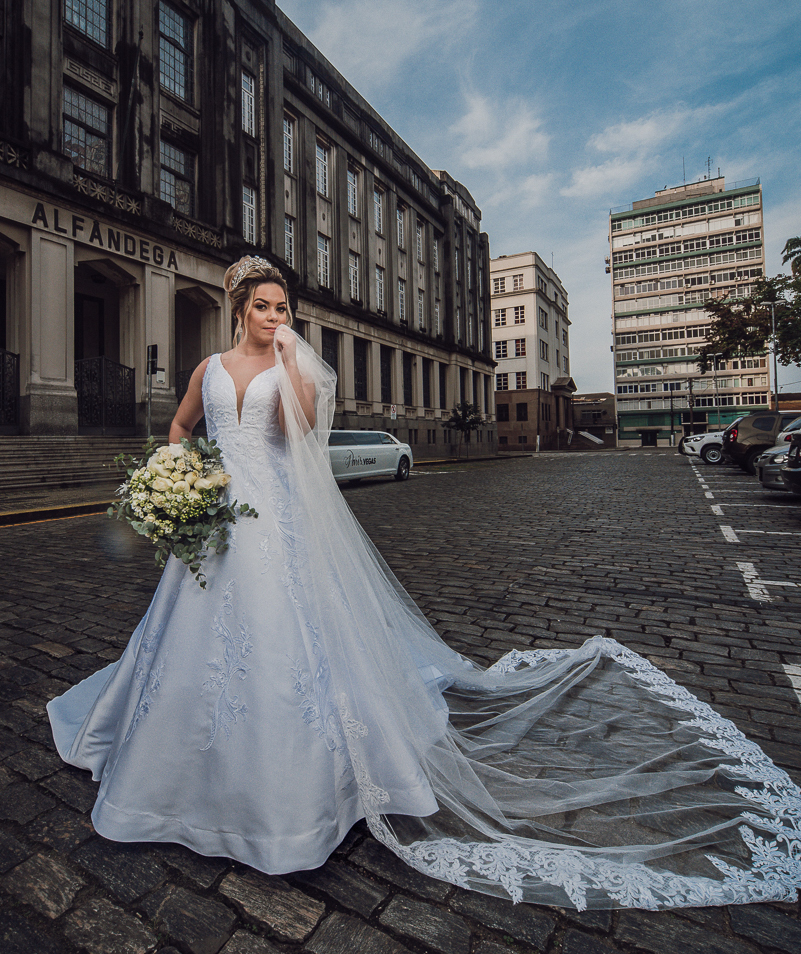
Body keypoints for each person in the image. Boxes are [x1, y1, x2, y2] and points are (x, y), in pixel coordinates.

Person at [48, 256, 801, 910]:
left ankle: (292, 794)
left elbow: (302, 433)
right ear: (237, 307)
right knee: (185, 641)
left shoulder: (288, 364)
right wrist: (181, 470)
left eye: (283, 307)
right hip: (218, 522)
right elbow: (182, 425)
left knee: (284, 643)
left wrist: (288, 361)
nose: (273, 315)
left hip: (274, 520)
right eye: (262, 305)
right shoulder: (207, 370)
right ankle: (163, 771)